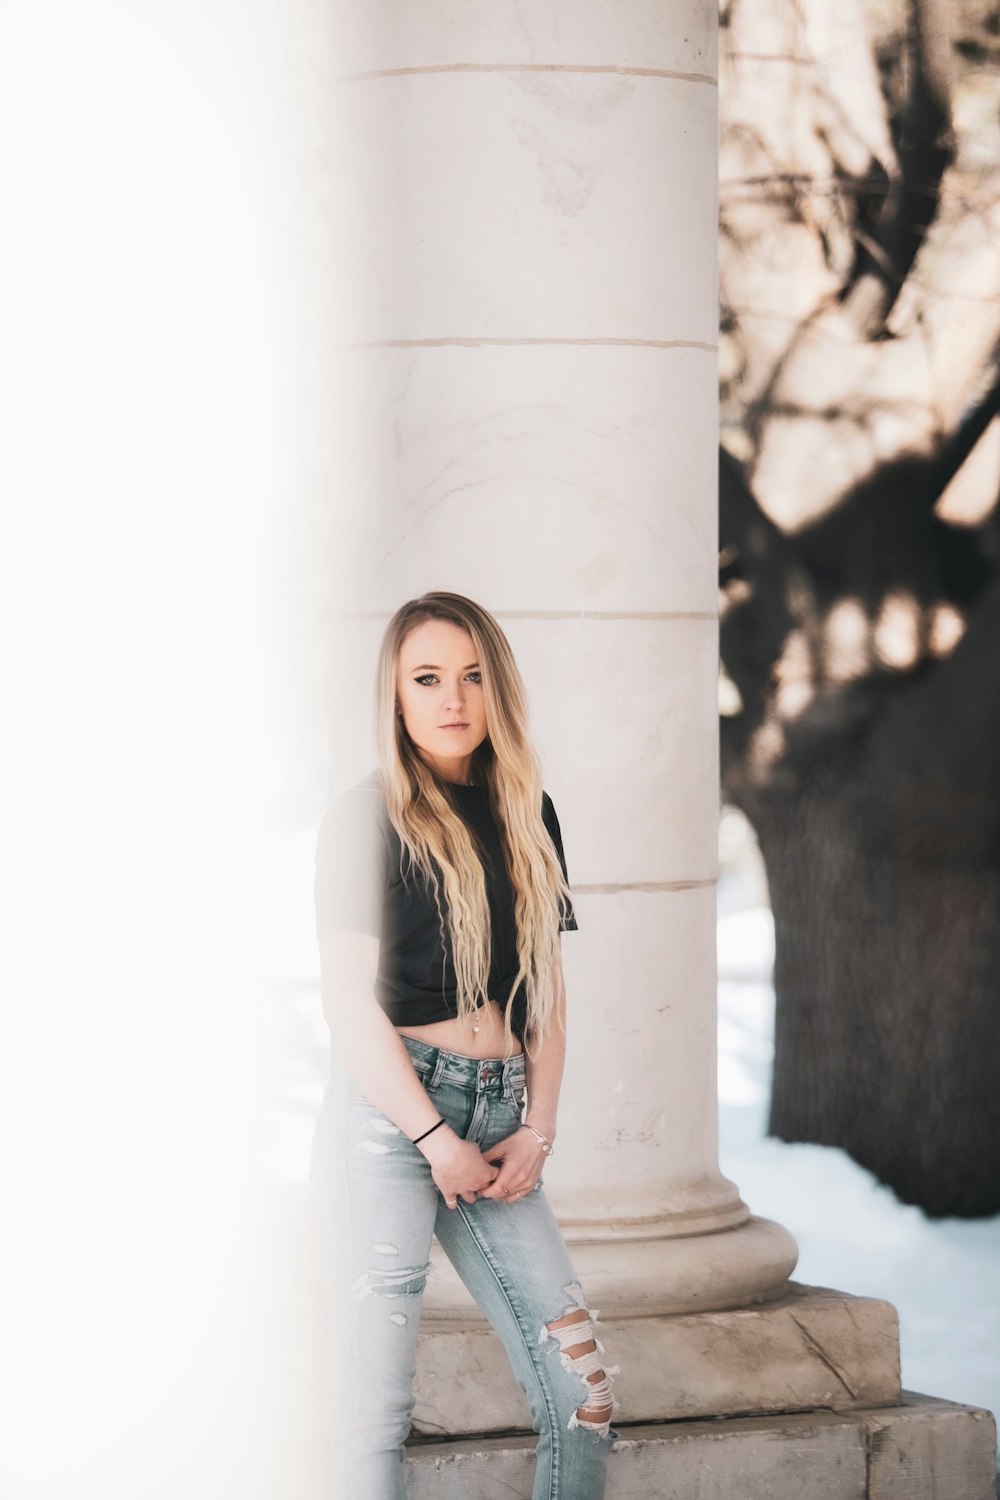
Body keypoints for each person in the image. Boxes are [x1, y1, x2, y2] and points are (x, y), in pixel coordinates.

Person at [309, 590, 618, 1500]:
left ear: (499, 689)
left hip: (500, 1121)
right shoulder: (362, 822)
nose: (454, 699)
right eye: (429, 678)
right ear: (395, 697)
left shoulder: (530, 811)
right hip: (388, 1122)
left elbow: (545, 997)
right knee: (370, 1417)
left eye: (473, 676)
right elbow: (347, 1005)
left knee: (584, 1395)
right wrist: (430, 1138)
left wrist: (541, 1125)